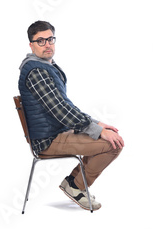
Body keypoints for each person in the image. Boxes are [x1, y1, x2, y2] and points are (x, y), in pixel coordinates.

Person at [18, 21, 124, 211]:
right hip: (48, 139)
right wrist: (98, 131)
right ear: (31, 45)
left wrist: (97, 123)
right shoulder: (36, 71)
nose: (47, 44)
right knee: (112, 144)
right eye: (40, 41)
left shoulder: (46, 66)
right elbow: (61, 110)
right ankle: (76, 186)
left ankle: (73, 183)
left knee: (109, 137)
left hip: (58, 132)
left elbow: (66, 106)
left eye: (50, 39)